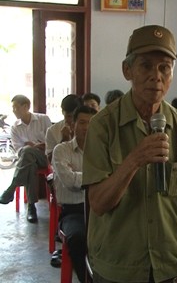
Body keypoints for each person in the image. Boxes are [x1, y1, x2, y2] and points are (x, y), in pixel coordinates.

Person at [82, 25, 177, 283]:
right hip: (120, 264)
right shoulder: (103, 125)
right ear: (127, 70)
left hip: (172, 263)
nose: (156, 76)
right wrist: (134, 160)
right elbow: (98, 203)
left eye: (165, 67)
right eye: (146, 66)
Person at [52, 105, 97, 283]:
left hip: (99, 208)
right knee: (78, 238)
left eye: (91, 123)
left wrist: (79, 176)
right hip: (73, 211)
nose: (86, 127)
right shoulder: (62, 150)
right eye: (82, 122)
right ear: (73, 125)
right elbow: (69, 182)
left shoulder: (104, 151)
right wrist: (97, 177)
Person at [0, 95, 52, 223]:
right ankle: (31, 207)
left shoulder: (43, 119)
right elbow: (18, 151)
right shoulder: (15, 127)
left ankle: (13, 187)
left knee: (28, 152)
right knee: (30, 163)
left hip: (44, 156)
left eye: (16, 108)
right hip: (28, 160)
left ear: (26, 107)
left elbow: (52, 141)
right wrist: (29, 148)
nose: (13, 111)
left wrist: (39, 145)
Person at [45, 94, 82, 163]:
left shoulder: (87, 128)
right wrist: (63, 140)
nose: (72, 120)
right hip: (61, 170)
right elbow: (50, 160)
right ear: (62, 112)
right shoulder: (53, 130)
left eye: (75, 116)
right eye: (68, 116)